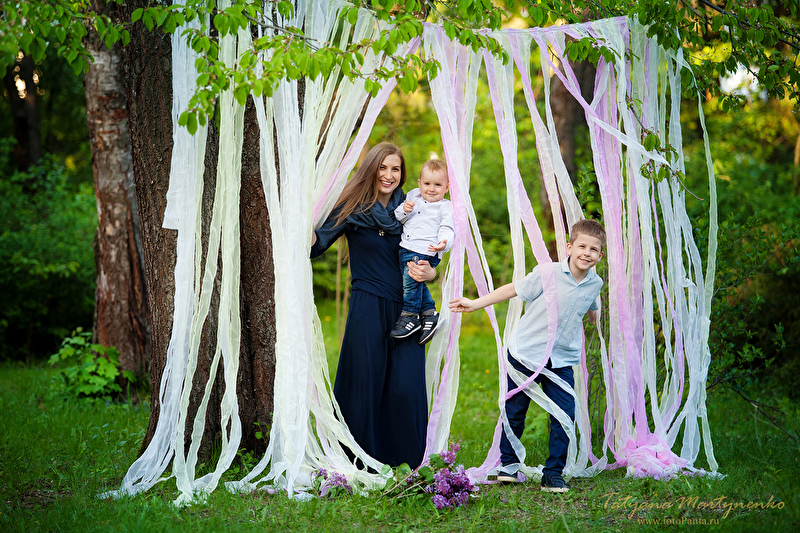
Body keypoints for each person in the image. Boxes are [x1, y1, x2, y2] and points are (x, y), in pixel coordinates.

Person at [449, 219, 606, 493]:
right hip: (527, 352)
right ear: (569, 247)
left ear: (600, 256)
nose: (587, 253)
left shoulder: (595, 283)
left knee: (564, 414)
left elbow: (592, 303)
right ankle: (508, 465)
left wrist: (594, 316)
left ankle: (553, 473)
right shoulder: (547, 273)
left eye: (593, 249)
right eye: (582, 246)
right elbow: (513, 289)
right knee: (515, 410)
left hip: (561, 359)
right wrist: (475, 303)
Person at [311, 142, 435, 469]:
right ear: (371, 169)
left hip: (408, 308)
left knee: (407, 385)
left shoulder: (414, 206)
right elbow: (317, 244)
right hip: (367, 304)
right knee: (364, 380)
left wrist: (431, 273)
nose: (389, 175)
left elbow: (428, 255)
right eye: (383, 167)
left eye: (395, 169)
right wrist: (297, 219)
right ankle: (356, 460)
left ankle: (406, 462)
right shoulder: (351, 206)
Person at [390, 159, 454, 344]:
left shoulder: (445, 206)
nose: (431, 189)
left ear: (447, 187)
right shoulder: (412, 196)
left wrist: (443, 243)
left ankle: (410, 315)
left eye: (437, 185)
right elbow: (399, 218)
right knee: (414, 282)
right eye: (427, 184)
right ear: (419, 183)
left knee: (411, 284)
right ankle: (429, 313)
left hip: (425, 251)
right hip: (406, 248)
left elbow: (448, 228)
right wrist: (403, 210)